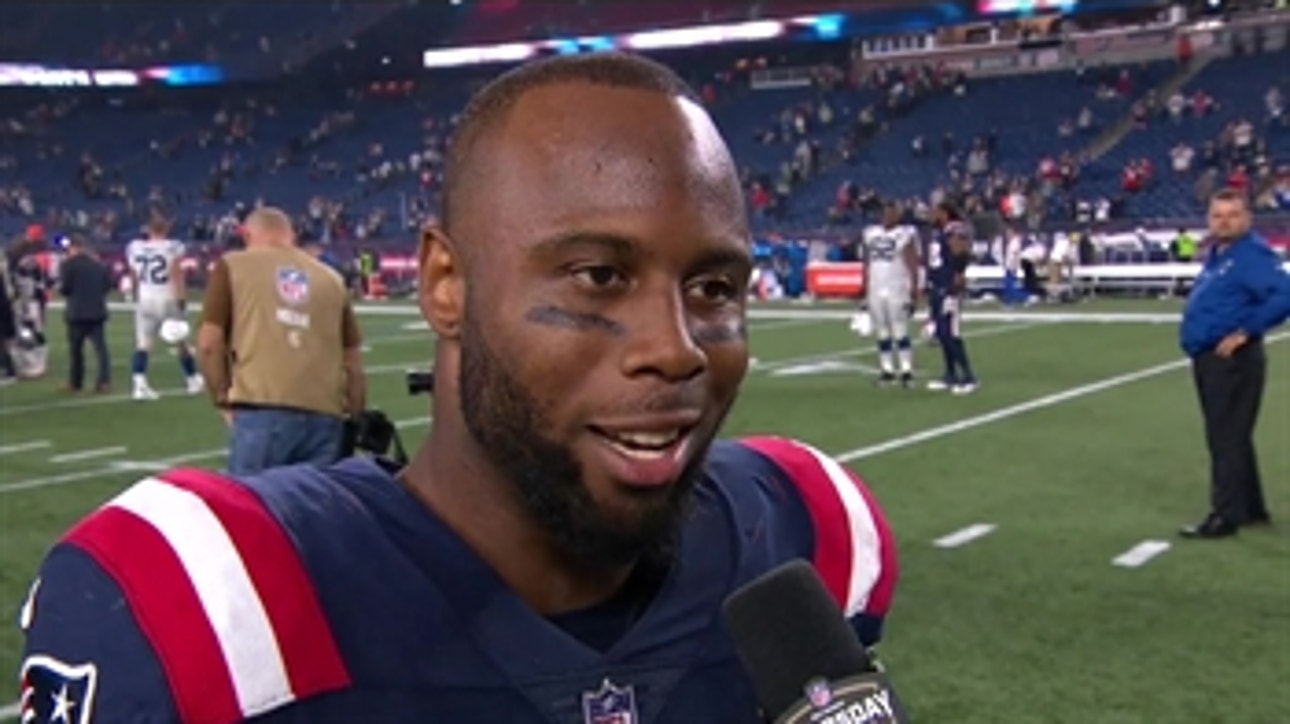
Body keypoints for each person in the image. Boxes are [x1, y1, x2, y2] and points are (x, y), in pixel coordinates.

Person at [17, 54, 898, 723]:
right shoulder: (205, 608)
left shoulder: (807, 532)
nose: (676, 350)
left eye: (712, 288)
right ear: (446, 284)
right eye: (597, 276)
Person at [195, 206, 366, 475]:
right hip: (326, 415)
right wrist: (354, 417)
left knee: (255, 500)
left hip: (262, 406)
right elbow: (353, 362)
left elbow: (209, 344)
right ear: (291, 236)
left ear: (245, 234)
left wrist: (222, 398)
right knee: (314, 501)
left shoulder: (234, 265)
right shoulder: (332, 279)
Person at [1178, 189, 1290, 539]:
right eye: (1217, 215)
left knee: (1224, 438)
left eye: (1232, 215)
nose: (1224, 222)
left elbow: (1284, 294)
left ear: (1247, 218)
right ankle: (1250, 508)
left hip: (1231, 359)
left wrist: (1247, 330)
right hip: (1212, 357)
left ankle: (1224, 516)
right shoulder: (1219, 254)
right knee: (1234, 436)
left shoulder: (1250, 255)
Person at [126, 216, 204, 400]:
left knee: (143, 344)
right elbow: (176, 274)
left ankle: (139, 385)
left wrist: (136, 294)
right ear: (167, 229)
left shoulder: (135, 247)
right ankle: (192, 379)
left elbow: (134, 274)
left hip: (146, 298)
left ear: (148, 229)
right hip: (167, 297)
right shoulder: (173, 247)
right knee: (180, 340)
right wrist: (182, 299)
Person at [862, 201, 920, 387]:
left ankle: (906, 370)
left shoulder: (905, 234)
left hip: (897, 286)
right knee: (881, 331)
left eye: (892, 213)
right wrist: (864, 287)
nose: (888, 216)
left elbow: (912, 261)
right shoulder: (871, 233)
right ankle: (886, 370)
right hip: (875, 286)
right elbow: (867, 262)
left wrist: (915, 287)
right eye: (886, 213)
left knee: (900, 329)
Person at [926, 202, 978, 393]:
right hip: (938, 284)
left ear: (943, 212)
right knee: (941, 332)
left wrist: (959, 273)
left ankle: (968, 376)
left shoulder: (954, 228)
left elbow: (961, 250)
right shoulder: (939, 231)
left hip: (948, 286)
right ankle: (950, 374)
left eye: (934, 211)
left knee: (951, 332)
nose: (930, 215)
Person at [57, 235, 113, 394]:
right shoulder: (98, 264)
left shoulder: (69, 265)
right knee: (101, 349)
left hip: (77, 312)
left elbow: (65, 288)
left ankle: (76, 382)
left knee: (76, 351)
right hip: (97, 311)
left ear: (72, 248)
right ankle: (104, 381)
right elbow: (107, 286)